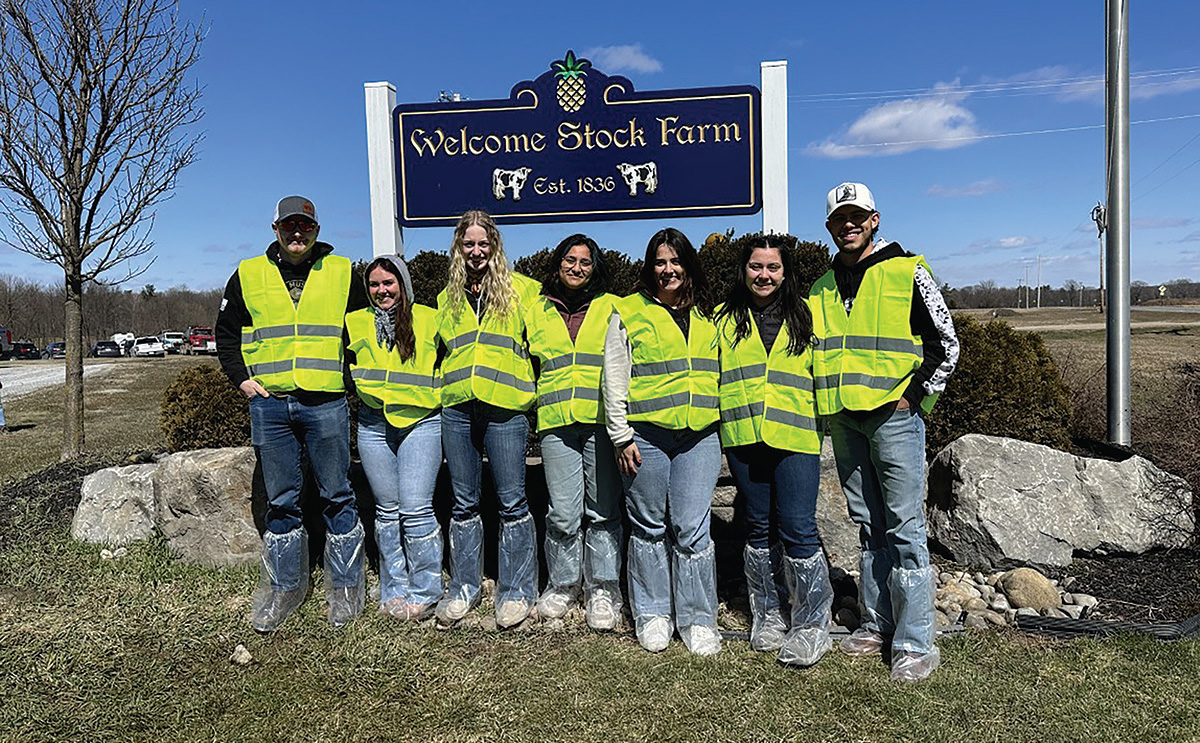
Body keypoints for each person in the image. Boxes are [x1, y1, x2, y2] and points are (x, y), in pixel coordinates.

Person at [810, 182, 960, 682]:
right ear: (830, 227)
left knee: (904, 527)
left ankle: (916, 641)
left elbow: (947, 343)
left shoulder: (908, 271)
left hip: (895, 417)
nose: (848, 224)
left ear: (874, 220)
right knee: (868, 524)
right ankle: (877, 623)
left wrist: (915, 398)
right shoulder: (820, 287)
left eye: (858, 216)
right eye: (839, 218)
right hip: (845, 421)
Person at [216, 195, 369, 632]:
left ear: (317, 230)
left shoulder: (342, 273)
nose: (297, 233)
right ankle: (284, 590)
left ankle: (345, 590)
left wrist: (359, 379)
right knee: (282, 502)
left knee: (337, 494)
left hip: (326, 402)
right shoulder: (248, 274)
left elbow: (363, 334)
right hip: (271, 404)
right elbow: (225, 334)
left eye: (305, 226)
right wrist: (241, 379)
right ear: (275, 229)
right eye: (289, 227)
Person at [603, 227, 723, 655]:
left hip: (700, 436)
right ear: (649, 267)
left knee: (692, 528)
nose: (668, 269)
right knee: (649, 527)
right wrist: (620, 435)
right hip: (646, 437)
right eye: (660, 261)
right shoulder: (628, 311)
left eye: (675, 261)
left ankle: (697, 618)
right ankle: (653, 613)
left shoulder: (712, 314)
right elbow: (613, 378)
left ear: (688, 264)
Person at [714, 236, 833, 666]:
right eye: (756, 267)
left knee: (798, 528)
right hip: (744, 436)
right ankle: (768, 615)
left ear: (785, 272)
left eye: (772, 268)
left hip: (797, 439)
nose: (763, 275)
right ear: (743, 270)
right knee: (758, 527)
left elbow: (825, 375)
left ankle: (811, 624)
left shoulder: (809, 315)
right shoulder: (724, 320)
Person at [435, 209, 542, 629]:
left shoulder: (523, 292)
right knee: (463, 503)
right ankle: (464, 586)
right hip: (458, 410)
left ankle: (516, 591)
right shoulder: (448, 298)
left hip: (506, 411)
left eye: (484, 243)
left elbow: (543, 349)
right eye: (469, 243)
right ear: (459, 247)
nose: (476, 251)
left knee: (512, 502)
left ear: (495, 245)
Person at [525, 234, 623, 630]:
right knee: (563, 513)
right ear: (558, 264)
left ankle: (603, 587)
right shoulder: (536, 310)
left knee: (602, 511)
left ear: (594, 267)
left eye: (585, 261)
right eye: (570, 260)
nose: (577, 268)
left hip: (600, 423)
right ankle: (564, 584)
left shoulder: (612, 307)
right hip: (556, 423)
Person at [345, 255, 444, 621]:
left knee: (416, 509)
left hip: (421, 422)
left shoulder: (431, 319)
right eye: (374, 284)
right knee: (386, 512)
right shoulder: (354, 323)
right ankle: (394, 586)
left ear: (403, 284)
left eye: (389, 283)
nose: (381, 290)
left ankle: (426, 589)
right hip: (373, 424)